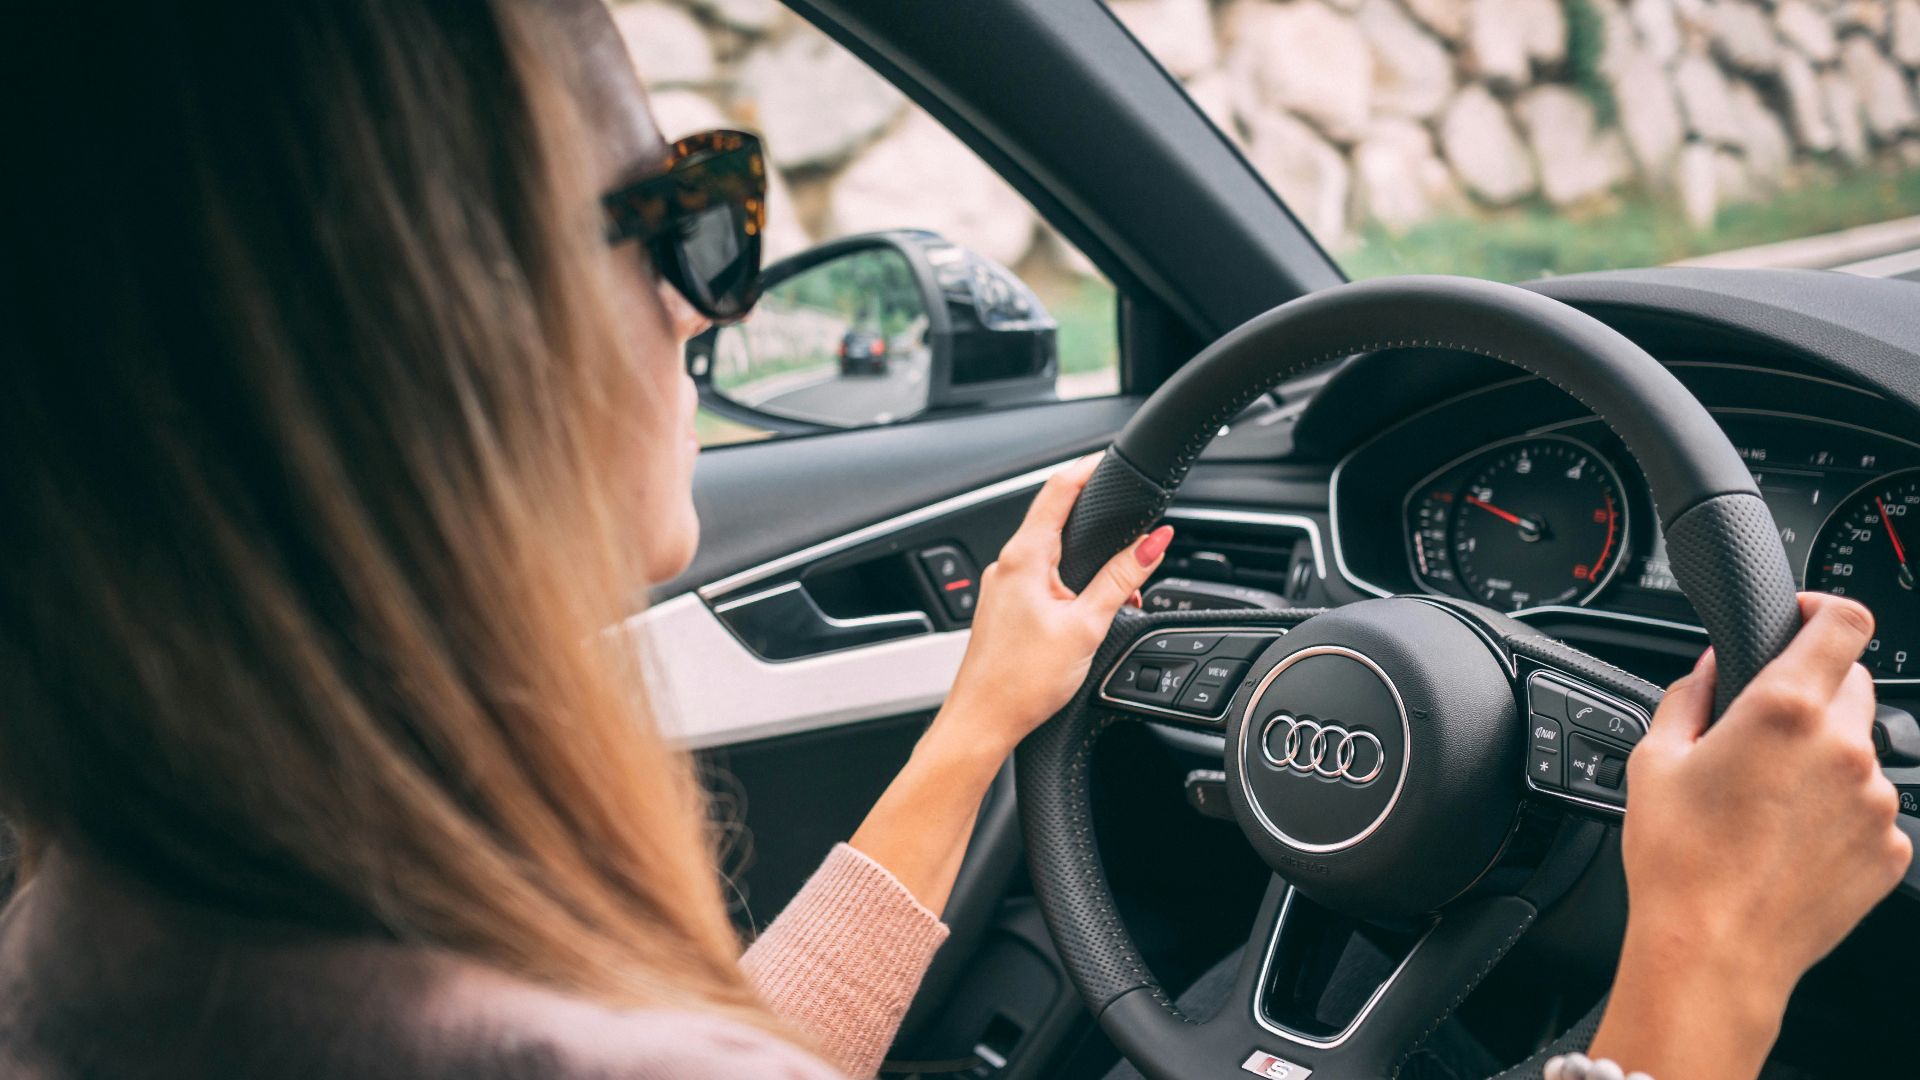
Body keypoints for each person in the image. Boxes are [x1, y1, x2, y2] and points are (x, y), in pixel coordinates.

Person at [0, 3, 1903, 1080]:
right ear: (431, 324)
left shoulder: (106, 942)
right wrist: (1703, 958)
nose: (711, 300)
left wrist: (978, 730)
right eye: (690, 215)